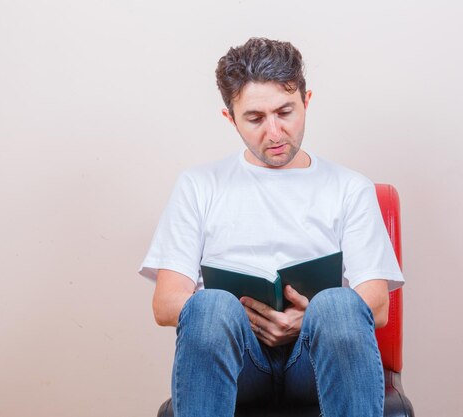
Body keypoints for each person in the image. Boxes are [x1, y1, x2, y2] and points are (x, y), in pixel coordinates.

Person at [139, 37, 404, 417]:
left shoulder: (350, 188)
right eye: (255, 118)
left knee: (339, 305)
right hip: (238, 358)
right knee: (210, 306)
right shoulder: (199, 185)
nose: (275, 133)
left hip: (314, 360)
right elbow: (166, 304)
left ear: (306, 101)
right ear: (230, 117)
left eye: (285, 112)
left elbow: (376, 306)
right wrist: (245, 315)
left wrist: (306, 319)